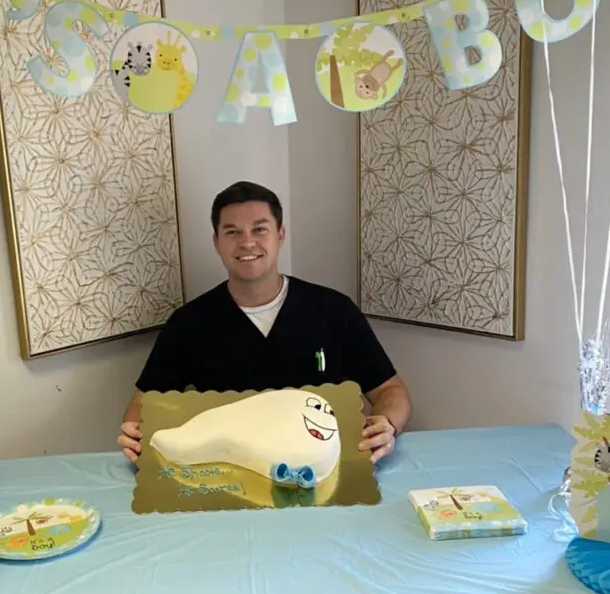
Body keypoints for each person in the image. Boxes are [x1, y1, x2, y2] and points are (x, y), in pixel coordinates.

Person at [118, 181, 411, 464]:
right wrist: (134, 433)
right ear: (216, 242)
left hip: (323, 469)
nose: (247, 242)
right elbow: (142, 407)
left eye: (260, 229)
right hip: (229, 473)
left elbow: (390, 392)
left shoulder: (333, 310)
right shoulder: (189, 323)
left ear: (280, 235)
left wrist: (386, 424)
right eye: (232, 232)